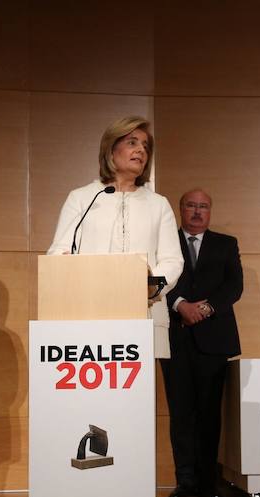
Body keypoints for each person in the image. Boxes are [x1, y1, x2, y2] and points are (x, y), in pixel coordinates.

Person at [47, 116, 183, 356]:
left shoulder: (158, 204)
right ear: (111, 149)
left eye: (145, 146)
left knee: (141, 391)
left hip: (145, 309)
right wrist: (69, 266)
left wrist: (150, 286)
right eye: (132, 142)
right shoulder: (82, 198)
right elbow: (58, 252)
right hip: (89, 311)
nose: (141, 150)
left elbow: (173, 260)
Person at [162, 189, 243, 497]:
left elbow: (234, 286)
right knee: (181, 413)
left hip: (214, 338)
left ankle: (208, 483)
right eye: (191, 206)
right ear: (181, 209)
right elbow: (153, 279)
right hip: (175, 338)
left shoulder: (226, 244)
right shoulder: (165, 241)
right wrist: (180, 304)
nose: (197, 212)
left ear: (210, 211)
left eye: (204, 206)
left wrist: (205, 308)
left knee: (210, 414)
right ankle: (185, 482)